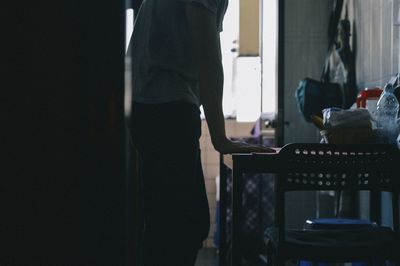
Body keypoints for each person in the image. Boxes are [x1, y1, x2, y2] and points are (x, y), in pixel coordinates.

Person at [129, 0, 274, 265]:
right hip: (165, 106)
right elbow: (207, 55)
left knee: (168, 223)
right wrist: (220, 138)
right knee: (184, 225)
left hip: (153, 102)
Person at [322, 18, 357, 109]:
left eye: (341, 32)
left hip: (346, 92)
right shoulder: (339, 52)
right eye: (339, 32)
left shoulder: (345, 53)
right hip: (342, 92)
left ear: (348, 34)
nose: (340, 35)